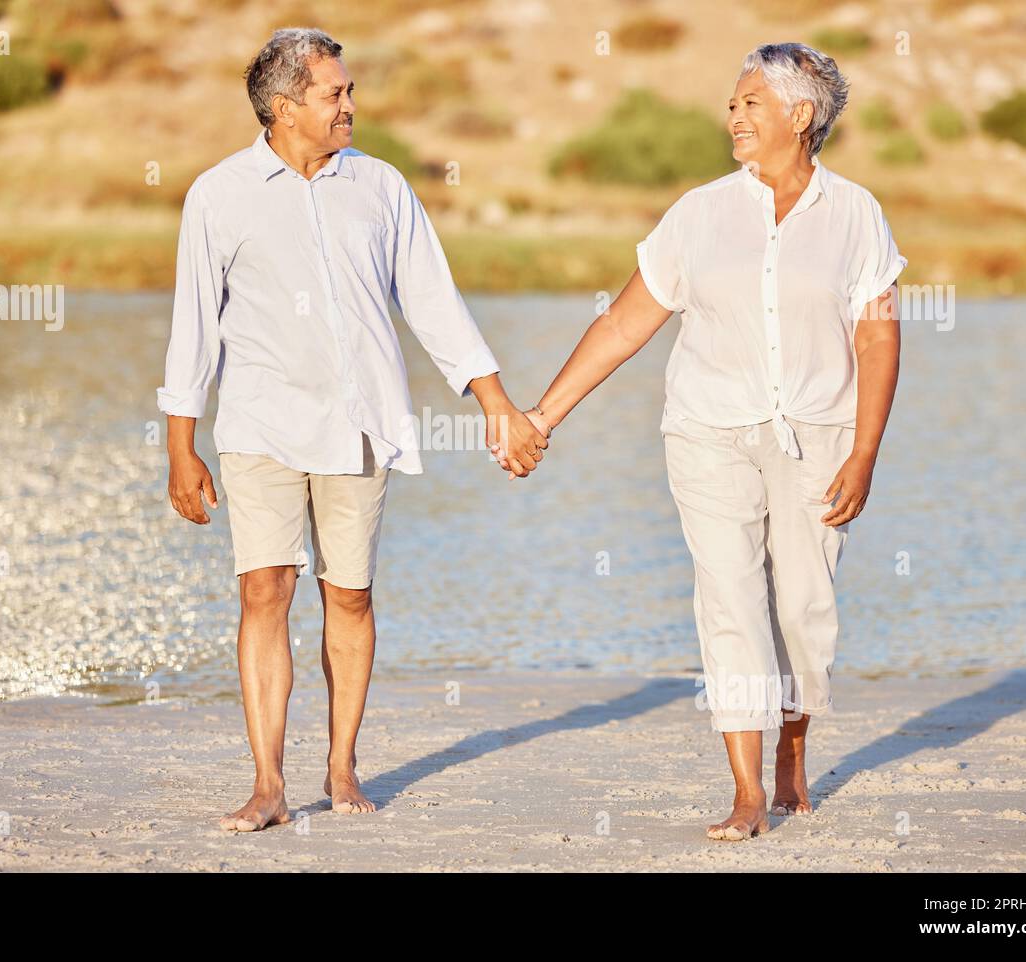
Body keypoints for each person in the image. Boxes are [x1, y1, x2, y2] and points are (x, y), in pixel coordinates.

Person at [157, 28, 547, 831]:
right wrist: (179, 446)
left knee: (351, 594)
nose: (351, 105)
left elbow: (433, 300)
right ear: (285, 106)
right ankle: (268, 782)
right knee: (264, 590)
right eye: (336, 93)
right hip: (260, 424)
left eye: (348, 90)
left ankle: (340, 765)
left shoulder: (379, 186)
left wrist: (496, 402)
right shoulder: (219, 194)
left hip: (360, 423)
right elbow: (192, 328)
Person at [515, 42, 905, 840]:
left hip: (819, 434)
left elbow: (877, 338)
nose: (732, 116)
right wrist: (542, 416)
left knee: (803, 608)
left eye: (750, 103)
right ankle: (747, 789)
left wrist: (865, 452)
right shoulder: (698, 213)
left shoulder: (855, 214)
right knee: (727, 600)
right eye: (732, 103)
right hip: (707, 433)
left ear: (801, 116)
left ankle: (793, 748)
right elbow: (625, 323)